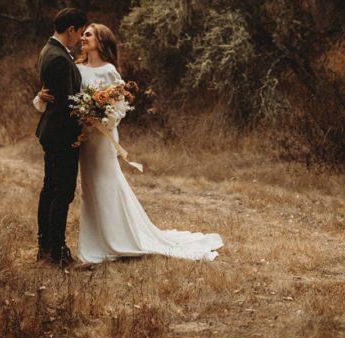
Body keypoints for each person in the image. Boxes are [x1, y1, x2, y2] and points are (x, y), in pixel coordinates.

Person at [35, 23, 224, 264]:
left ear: (101, 41)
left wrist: (99, 118)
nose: (83, 38)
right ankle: (96, 239)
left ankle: (118, 238)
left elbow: (119, 108)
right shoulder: (77, 67)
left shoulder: (110, 70)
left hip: (102, 138)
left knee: (107, 184)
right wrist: (42, 98)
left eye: (89, 34)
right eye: (83, 34)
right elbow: (61, 95)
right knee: (89, 190)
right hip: (82, 138)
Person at [34, 7, 88, 266]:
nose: (80, 38)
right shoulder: (57, 57)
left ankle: (45, 246)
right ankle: (56, 251)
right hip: (60, 134)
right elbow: (66, 104)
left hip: (53, 131)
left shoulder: (50, 50)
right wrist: (79, 132)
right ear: (71, 30)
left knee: (50, 189)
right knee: (62, 191)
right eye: (79, 33)